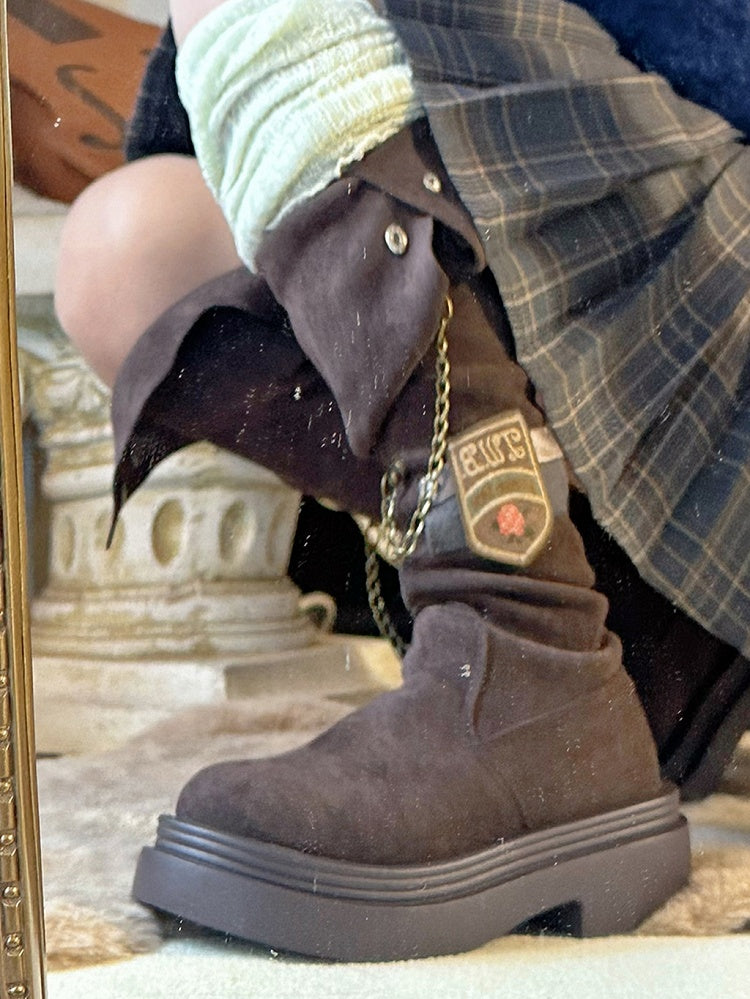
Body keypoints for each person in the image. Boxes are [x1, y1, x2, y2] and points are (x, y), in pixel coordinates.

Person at [54, 0, 748, 959]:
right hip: (613, 444)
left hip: (714, 288)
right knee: (129, 246)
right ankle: (561, 635)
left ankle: (522, 641)